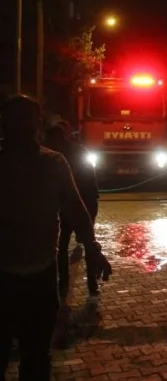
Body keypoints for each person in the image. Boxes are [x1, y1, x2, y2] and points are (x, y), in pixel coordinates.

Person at [0, 95, 112, 381]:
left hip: (41, 277)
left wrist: (93, 248)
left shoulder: (54, 164)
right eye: (16, 120)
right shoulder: (52, 163)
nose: (22, 128)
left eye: (27, 121)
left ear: (36, 124)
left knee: (36, 356)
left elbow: (76, 208)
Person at [44, 124, 100, 297]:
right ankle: (75, 283)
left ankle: (86, 282)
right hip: (80, 203)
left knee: (77, 243)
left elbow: (87, 179)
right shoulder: (74, 152)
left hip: (80, 202)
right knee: (69, 245)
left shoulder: (57, 157)